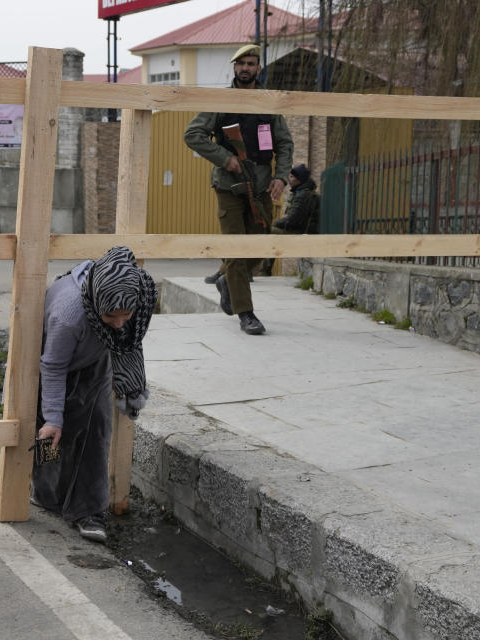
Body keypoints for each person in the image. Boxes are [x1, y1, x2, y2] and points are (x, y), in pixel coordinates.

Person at [32, 246, 157, 543]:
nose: (119, 324)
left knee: (97, 433)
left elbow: (128, 341)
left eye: (126, 315)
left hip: (95, 362)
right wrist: (53, 417)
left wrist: (130, 383)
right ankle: (47, 495)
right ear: (97, 302)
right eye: (111, 316)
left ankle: (89, 511)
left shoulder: (138, 293)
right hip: (52, 365)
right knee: (53, 436)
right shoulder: (69, 314)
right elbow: (53, 366)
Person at [184, 44, 293, 335]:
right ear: (234, 68)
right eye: (241, 63)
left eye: (252, 63)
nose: (246, 68)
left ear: (259, 68)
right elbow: (192, 134)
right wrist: (225, 158)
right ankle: (246, 313)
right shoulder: (221, 100)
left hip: (260, 186)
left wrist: (281, 177)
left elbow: (283, 143)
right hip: (229, 186)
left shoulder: (269, 103)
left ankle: (226, 279)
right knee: (235, 246)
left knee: (260, 246)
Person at [260, 163, 320, 275]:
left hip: (301, 233)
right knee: (270, 232)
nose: (289, 179)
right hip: (300, 230)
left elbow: (293, 219)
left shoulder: (303, 195)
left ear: (299, 180)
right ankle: (264, 269)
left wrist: (277, 223)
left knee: (269, 231)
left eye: (292, 177)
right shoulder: (302, 192)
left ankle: (263, 270)